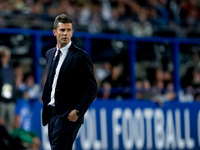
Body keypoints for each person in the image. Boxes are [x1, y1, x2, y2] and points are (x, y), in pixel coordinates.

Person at [41, 14, 98, 150]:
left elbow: (92, 89)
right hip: (51, 113)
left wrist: (78, 111)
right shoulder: (49, 54)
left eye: (68, 30)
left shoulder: (81, 56)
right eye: (62, 30)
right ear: (54, 32)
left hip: (68, 115)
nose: (65, 33)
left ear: (72, 32)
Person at [0, 46, 17, 133]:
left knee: (10, 124)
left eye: (5, 56)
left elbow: (13, 84)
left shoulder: (11, 70)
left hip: (10, 100)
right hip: (1, 101)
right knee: (1, 122)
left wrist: (14, 99)